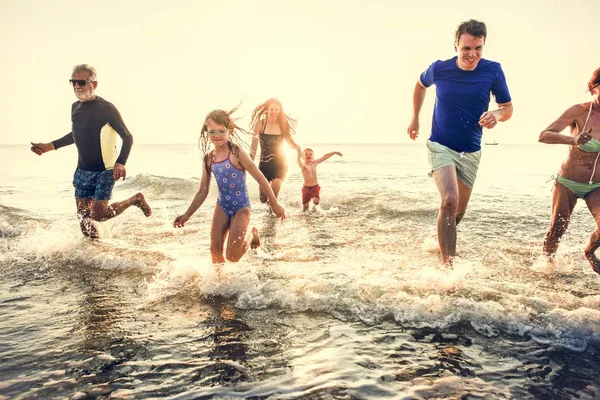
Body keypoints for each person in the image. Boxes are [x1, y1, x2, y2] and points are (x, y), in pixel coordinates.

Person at [407, 19, 513, 266]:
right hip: (441, 145)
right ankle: (448, 268)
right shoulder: (439, 69)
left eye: (478, 48)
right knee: (449, 200)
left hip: (471, 150)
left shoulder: (493, 70)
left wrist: (496, 115)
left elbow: (507, 108)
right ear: (456, 45)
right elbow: (420, 85)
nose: (472, 54)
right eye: (467, 48)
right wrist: (414, 119)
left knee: (458, 212)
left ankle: (440, 240)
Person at [30, 64, 151, 239]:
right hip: (82, 170)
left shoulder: (106, 108)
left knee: (99, 214)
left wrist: (121, 162)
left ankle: (135, 200)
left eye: (81, 82)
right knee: (84, 220)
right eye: (73, 82)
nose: (77, 86)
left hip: (105, 170)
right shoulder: (75, 107)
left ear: (94, 84)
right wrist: (50, 146)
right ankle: (95, 255)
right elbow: (76, 134)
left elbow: (128, 136)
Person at [173, 108, 285, 264]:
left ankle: (252, 235)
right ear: (206, 132)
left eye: (221, 131)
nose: (217, 135)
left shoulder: (236, 153)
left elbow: (260, 178)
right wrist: (187, 215)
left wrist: (274, 203)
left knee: (232, 256)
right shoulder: (208, 159)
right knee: (215, 251)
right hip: (222, 206)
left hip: (241, 207)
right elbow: (202, 191)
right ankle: (220, 284)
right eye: (212, 132)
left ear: (229, 131)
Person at [539, 68, 600, 276]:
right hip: (568, 181)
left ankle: (589, 252)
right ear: (593, 89)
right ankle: (546, 269)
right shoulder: (580, 111)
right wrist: (573, 139)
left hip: (597, 186)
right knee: (558, 228)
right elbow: (544, 135)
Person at [249, 98, 302, 206]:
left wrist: (298, 148)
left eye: (277, 110)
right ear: (267, 110)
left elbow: (290, 142)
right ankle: (269, 213)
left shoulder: (283, 124)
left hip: (280, 163)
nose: (274, 112)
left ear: (280, 110)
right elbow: (253, 146)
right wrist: (249, 162)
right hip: (264, 164)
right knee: (263, 199)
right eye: (272, 109)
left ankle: (272, 217)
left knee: (274, 194)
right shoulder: (260, 124)